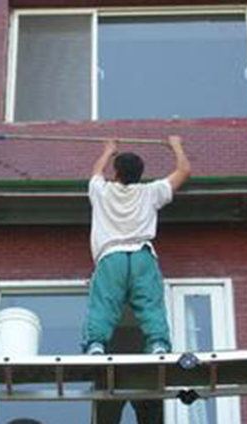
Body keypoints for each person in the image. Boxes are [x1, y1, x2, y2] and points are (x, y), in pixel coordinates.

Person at [83, 135, 190, 356]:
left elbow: (96, 173)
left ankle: (96, 345)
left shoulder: (102, 191)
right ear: (140, 174)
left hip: (111, 256)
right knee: (150, 303)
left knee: (104, 303)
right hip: (142, 255)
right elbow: (184, 172)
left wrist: (108, 150)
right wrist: (176, 146)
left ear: (116, 173)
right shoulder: (150, 191)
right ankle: (158, 344)